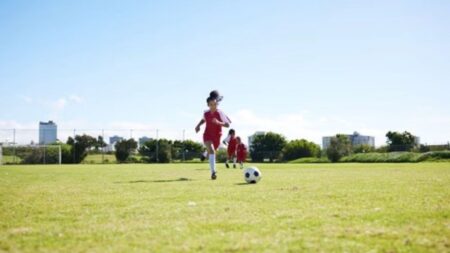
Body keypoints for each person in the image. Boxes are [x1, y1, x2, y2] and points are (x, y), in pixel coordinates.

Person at [195, 95, 231, 180]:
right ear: (208, 105)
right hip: (207, 135)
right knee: (211, 151)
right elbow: (203, 119)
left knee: (210, 151)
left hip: (217, 136)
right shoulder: (205, 113)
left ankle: (204, 153)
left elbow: (227, 125)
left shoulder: (220, 113)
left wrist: (219, 122)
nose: (213, 106)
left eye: (215, 104)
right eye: (211, 104)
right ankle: (213, 172)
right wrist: (198, 126)